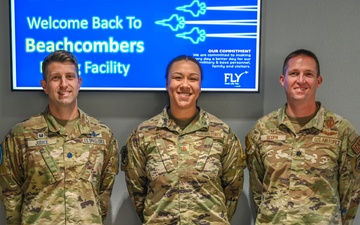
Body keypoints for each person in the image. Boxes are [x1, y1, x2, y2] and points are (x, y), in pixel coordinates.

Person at [121, 55, 246, 224]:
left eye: (193, 79)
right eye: (177, 77)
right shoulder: (143, 134)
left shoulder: (222, 134)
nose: (185, 85)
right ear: (167, 84)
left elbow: (233, 190)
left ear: (200, 86)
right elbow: (137, 191)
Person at [0, 50, 119, 225]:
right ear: (44, 85)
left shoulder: (103, 135)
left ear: (79, 82)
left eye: (70, 77)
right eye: (56, 78)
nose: (64, 84)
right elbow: (11, 195)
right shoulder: (21, 135)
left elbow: (103, 194)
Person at [245, 49, 360, 224]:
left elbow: (350, 192)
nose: (300, 80)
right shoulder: (262, 130)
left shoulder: (341, 130)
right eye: (293, 73)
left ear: (318, 81)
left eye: (308, 74)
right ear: (283, 80)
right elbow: (258, 189)